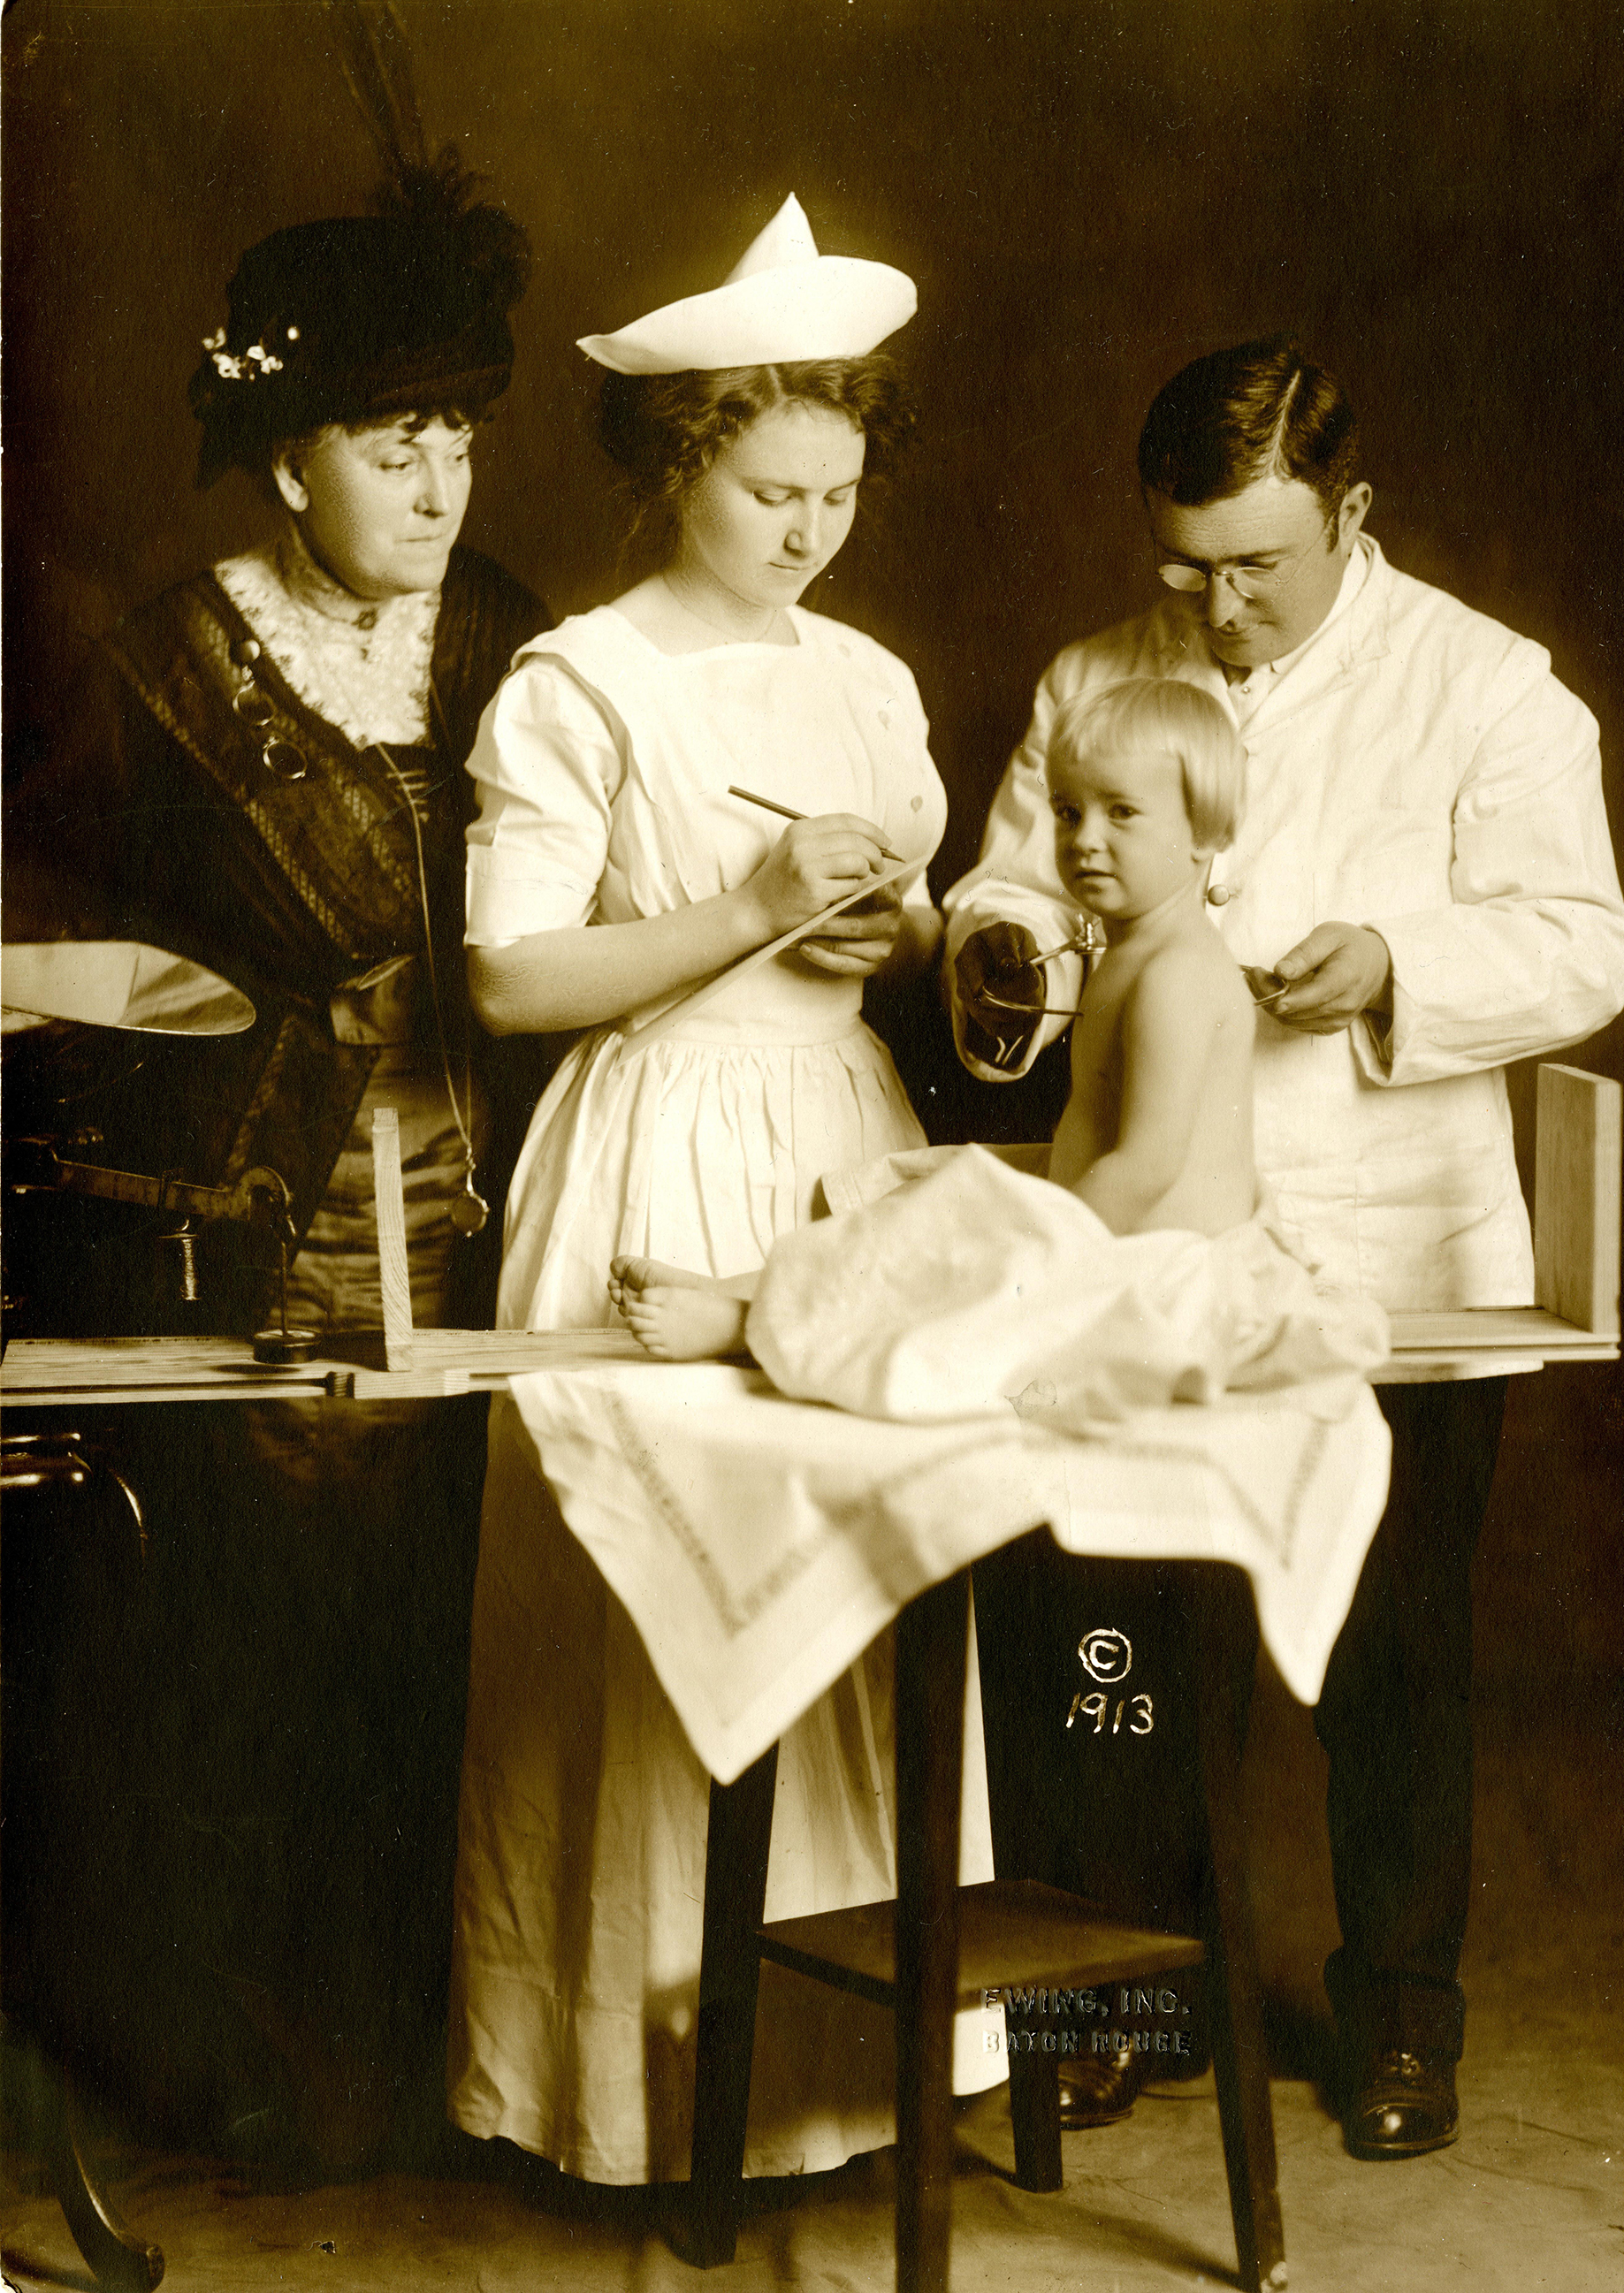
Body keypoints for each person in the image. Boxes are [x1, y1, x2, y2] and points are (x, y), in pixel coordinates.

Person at [944, 337, 1624, 2156]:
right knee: (1128, 1639)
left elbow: (1585, 939)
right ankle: (1132, 1999)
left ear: (1351, 510)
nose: (1219, 604)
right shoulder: (1098, 675)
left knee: (1384, 1649)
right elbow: (1015, 877)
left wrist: (1401, 964)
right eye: (1186, 565)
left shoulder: (1486, 689)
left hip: (1393, 1247)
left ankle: (1402, 2015)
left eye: (1260, 563)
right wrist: (1000, 953)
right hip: (1156, 1261)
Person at [4, 161, 551, 2164]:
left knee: (435, 1636)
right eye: (386, 442)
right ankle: (203, 2034)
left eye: (457, 438)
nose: (435, 483)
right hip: (239, 1235)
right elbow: (51, 930)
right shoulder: (164, 671)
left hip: (482, 1208)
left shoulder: (509, 635)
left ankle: (415, 2031)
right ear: (282, 456)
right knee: (234, 1639)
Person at [446, 196, 995, 2190]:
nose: (808, 532)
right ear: (682, 465)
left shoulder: (864, 675)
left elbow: (911, 926)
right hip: (653, 1144)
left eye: (838, 492)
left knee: (855, 1592)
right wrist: (745, 906)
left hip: (836, 1142)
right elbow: (509, 977)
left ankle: (844, 2087)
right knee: (645, 1621)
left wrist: (884, 934)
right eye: (771, 490)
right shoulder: (576, 682)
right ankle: (631, 2095)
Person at [610, 676, 1374, 1392]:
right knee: (919, 1201)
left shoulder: (1176, 974)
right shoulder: (1135, 948)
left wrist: (1032, 1243)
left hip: (1163, 1267)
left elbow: (1147, 1163)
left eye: (1123, 813)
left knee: (949, 1251)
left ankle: (752, 1323)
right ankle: (745, 1293)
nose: (1084, 840)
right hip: (1123, 1229)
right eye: (1069, 812)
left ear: (1210, 831)